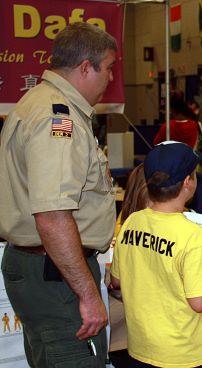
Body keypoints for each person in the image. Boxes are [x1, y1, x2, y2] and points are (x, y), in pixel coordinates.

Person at [0, 22, 117, 367]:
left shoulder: (36, 102)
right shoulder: (57, 118)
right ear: (85, 67)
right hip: (57, 272)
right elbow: (52, 215)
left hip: (46, 265)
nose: (111, 78)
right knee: (74, 357)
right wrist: (87, 293)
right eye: (108, 68)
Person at [110, 141, 202, 368]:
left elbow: (117, 280)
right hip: (181, 354)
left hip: (140, 347)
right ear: (187, 183)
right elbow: (201, 302)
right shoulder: (192, 234)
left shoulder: (132, 221)